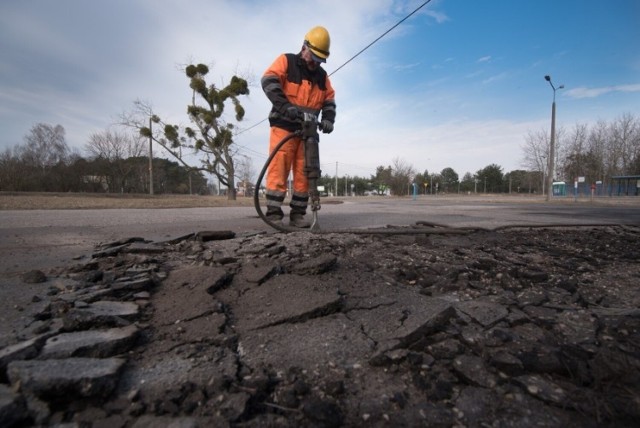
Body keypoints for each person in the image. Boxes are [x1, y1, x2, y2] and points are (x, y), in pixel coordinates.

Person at [261, 25, 336, 228]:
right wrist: (285, 107)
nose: (316, 63)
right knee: (279, 167)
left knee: (305, 173)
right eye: (314, 57)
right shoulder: (287, 62)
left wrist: (329, 119)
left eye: (320, 60)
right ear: (304, 47)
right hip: (284, 126)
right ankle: (274, 214)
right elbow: (268, 81)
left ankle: (298, 215)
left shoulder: (322, 77)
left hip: (308, 132)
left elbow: (329, 100)